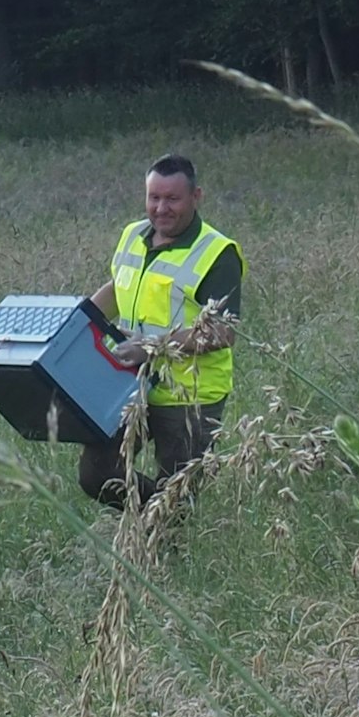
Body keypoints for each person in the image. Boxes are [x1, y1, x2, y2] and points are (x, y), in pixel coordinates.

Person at [77, 154, 246, 510]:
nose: (161, 208)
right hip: (129, 385)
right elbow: (119, 286)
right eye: (154, 197)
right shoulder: (132, 235)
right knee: (97, 474)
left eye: (172, 199)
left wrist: (153, 347)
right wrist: (77, 320)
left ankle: (166, 539)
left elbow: (222, 331)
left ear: (196, 197)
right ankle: (156, 521)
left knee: (177, 493)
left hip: (189, 395)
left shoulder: (217, 253)